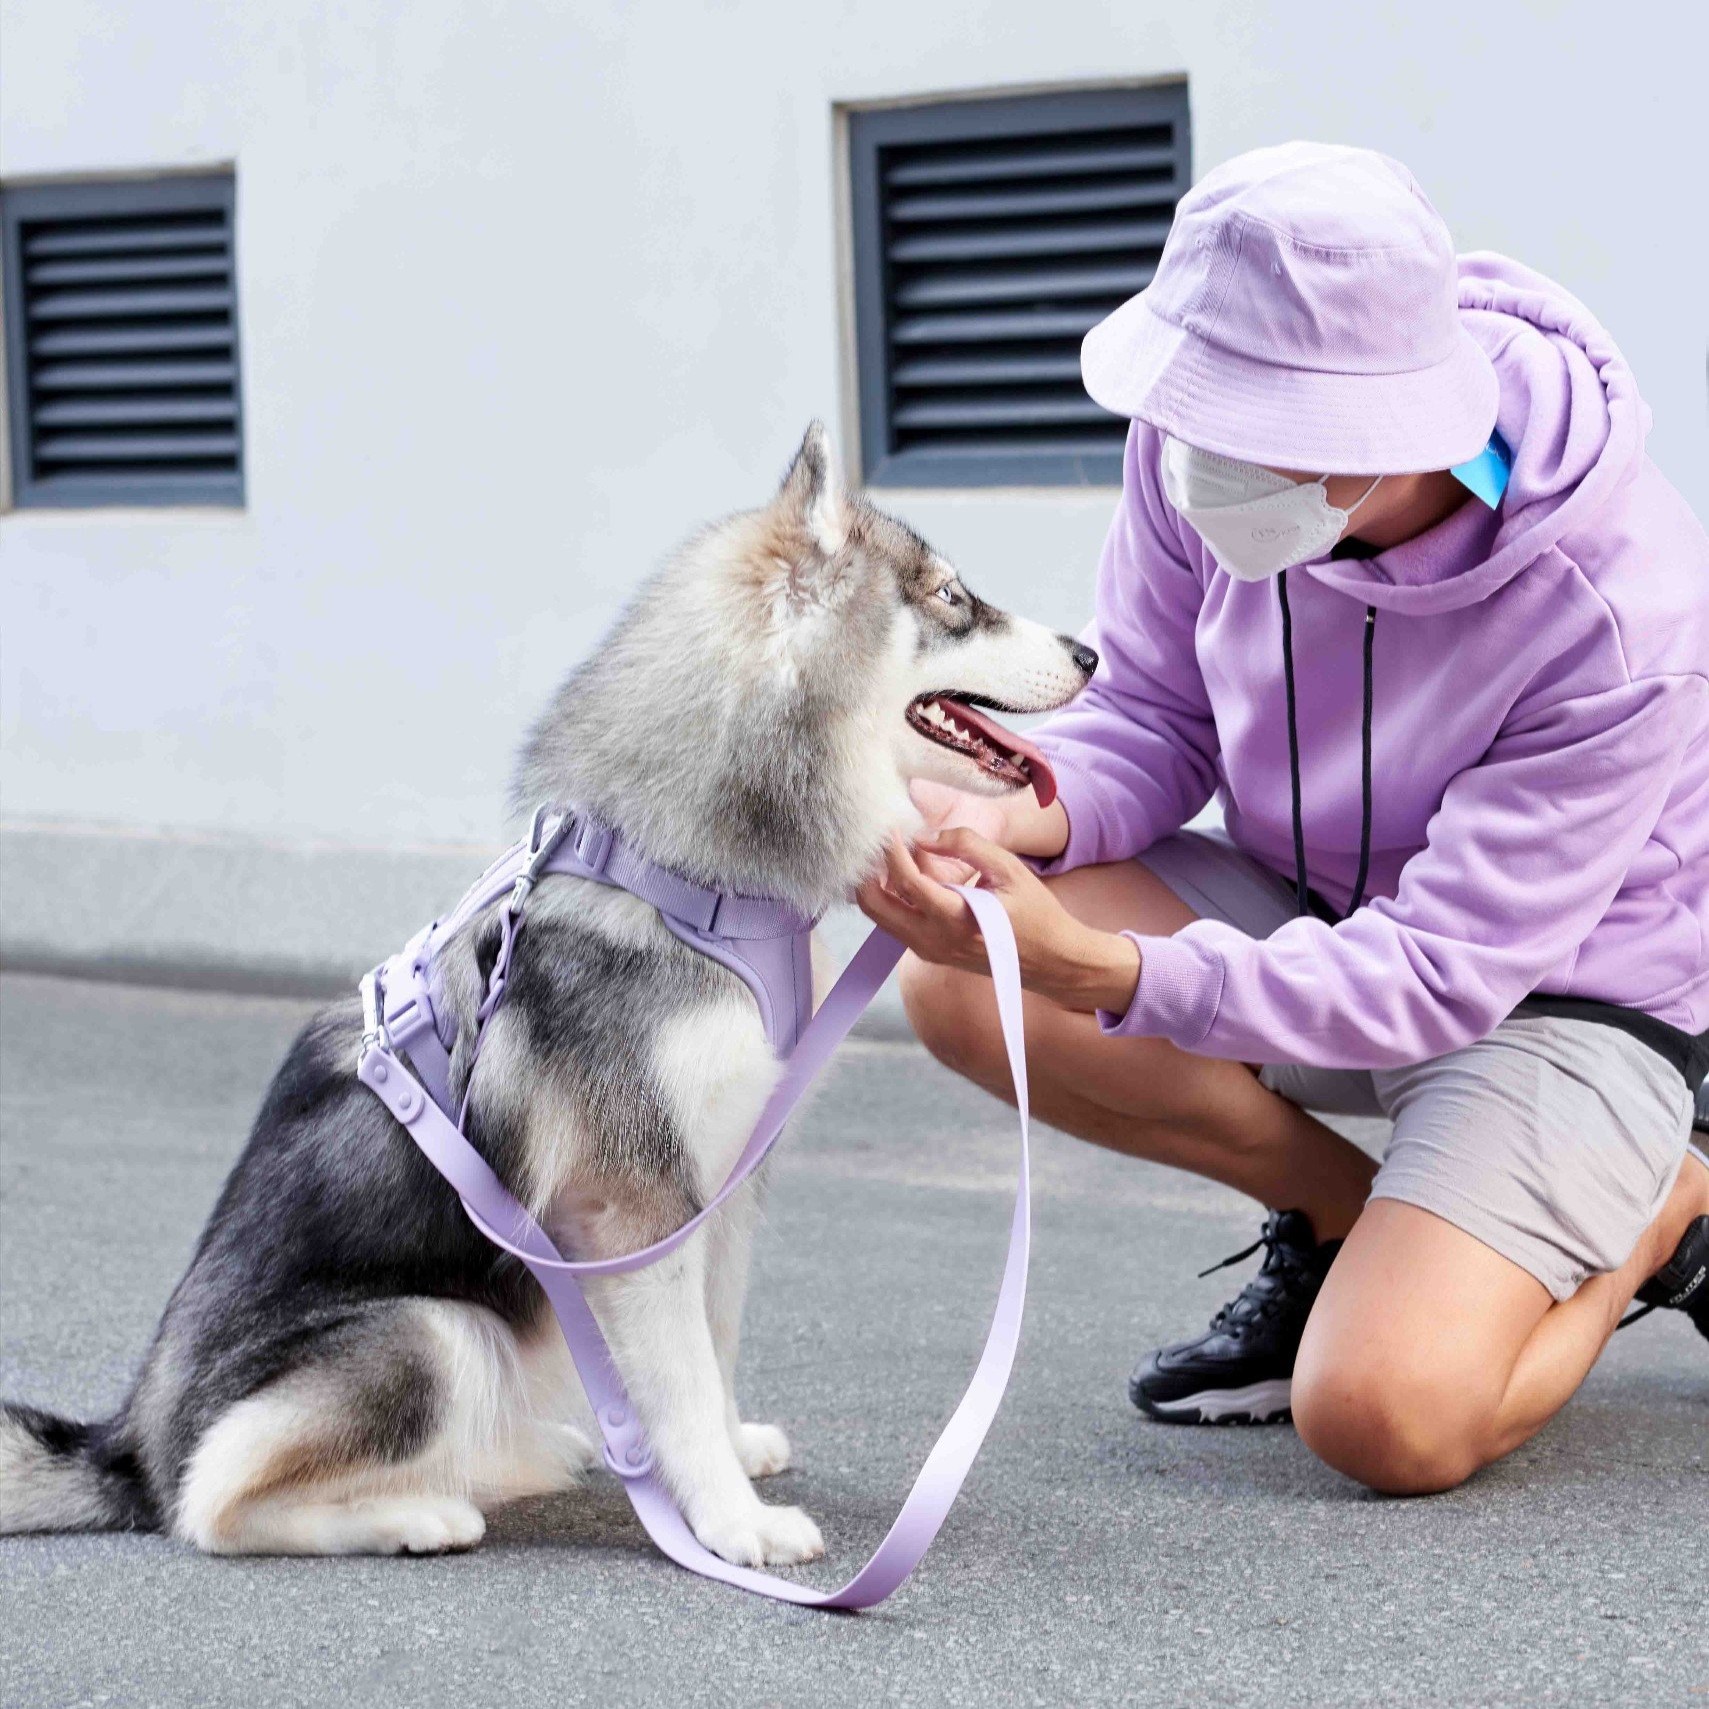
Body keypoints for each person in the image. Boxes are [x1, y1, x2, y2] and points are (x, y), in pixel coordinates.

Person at [858, 142, 1709, 1495]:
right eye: (1184, 410)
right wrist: (1022, 805)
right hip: (1317, 910)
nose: (1183, 459)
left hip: (1555, 994)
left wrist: (1106, 969)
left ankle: (1655, 1219)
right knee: (964, 977)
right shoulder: (1201, 456)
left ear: (1386, 438)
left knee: (1385, 1419)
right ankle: (1343, 1220)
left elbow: (1436, 974)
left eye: (1232, 428)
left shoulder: (1619, 613)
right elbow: (1150, 713)